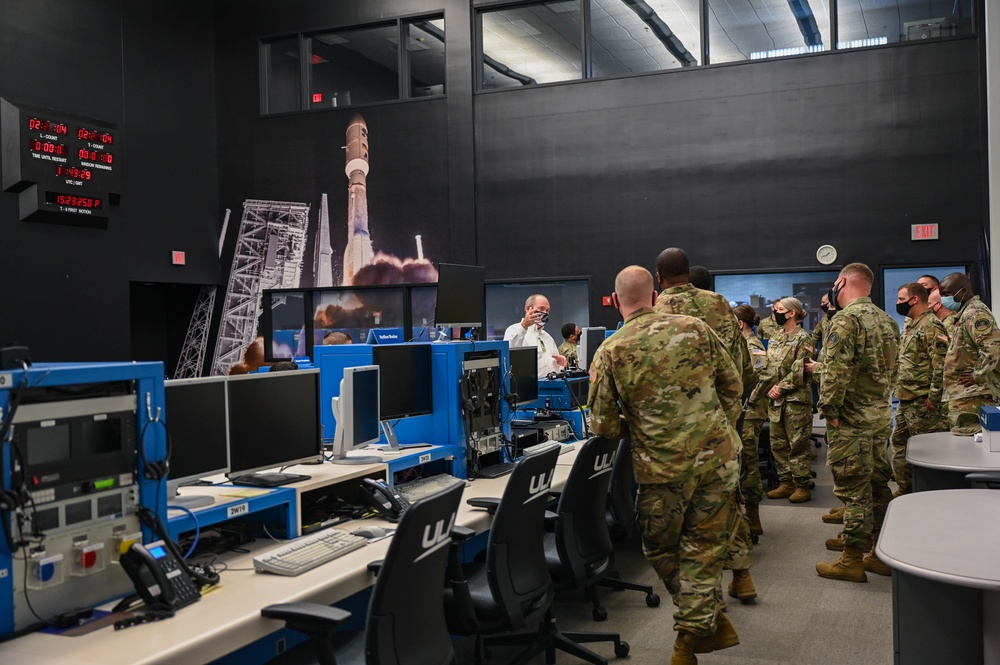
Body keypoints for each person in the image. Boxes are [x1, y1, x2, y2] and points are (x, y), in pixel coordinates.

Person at [588, 265, 742, 665]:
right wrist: (709, 426)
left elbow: (602, 426)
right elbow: (733, 385)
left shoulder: (611, 349)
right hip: (719, 459)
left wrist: (643, 429)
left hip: (662, 470)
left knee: (659, 547)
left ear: (616, 300)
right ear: (655, 296)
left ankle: (688, 638)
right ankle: (702, 621)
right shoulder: (695, 327)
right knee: (706, 548)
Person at [654, 248, 757, 605]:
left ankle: (700, 595)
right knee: (727, 499)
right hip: (720, 420)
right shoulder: (720, 306)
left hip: (675, 430)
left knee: (685, 513)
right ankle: (742, 577)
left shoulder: (655, 313)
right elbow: (743, 368)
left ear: (659, 277)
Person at [814, 263, 898, 582]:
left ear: (843, 281)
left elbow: (835, 374)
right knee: (877, 485)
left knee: (854, 490)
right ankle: (878, 552)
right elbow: (893, 372)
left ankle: (851, 559)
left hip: (852, 420)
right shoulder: (888, 320)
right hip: (879, 417)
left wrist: (830, 411)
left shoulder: (845, 320)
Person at [753, 298, 815, 503]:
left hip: (795, 400)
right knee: (778, 443)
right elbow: (769, 365)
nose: (775, 312)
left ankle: (801, 485)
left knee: (798, 444)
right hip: (775, 398)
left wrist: (779, 388)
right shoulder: (776, 336)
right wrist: (768, 386)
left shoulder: (804, 338)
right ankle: (786, 481)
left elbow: (801, 370)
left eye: (780, 310)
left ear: (791, 313)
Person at [890, 283, 948, 496]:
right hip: (906, 399)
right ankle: (905, 488)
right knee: (899, 444)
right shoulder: (911, 324)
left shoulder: (931, 325)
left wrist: (934, 396)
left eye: (900, 299)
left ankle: (929, 493)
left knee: (926, 451)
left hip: (923, 401)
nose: (897, 303)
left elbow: (940, 364)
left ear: (914, 299)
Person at [939, 272, 1000, 435]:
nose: (944, 299)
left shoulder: (975, 313)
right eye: (942, 295)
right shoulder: (964, 313)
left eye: (947, 294)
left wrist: (977, 374)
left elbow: (992, 348)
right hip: (964, 395)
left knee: (968, 445)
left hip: (973, 395)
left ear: (963, 291)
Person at [732, 304, 766, 536]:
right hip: (745, 411)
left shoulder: (751, 344)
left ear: (740, 324)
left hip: (750, 412)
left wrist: (747, 398)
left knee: (749, 463)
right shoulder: (741, 344)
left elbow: (764, 375)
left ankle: (753, 515)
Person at [504, 294, 568, 377]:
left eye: (547, 310)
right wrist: (524, 326)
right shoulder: (513, 330)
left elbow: (556, 366)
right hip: (529, 386)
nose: (545, 313)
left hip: (552, 385)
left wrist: (561, 365)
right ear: (528, 309)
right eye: (541, 308)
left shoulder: (547, 337)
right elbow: (509, 356)